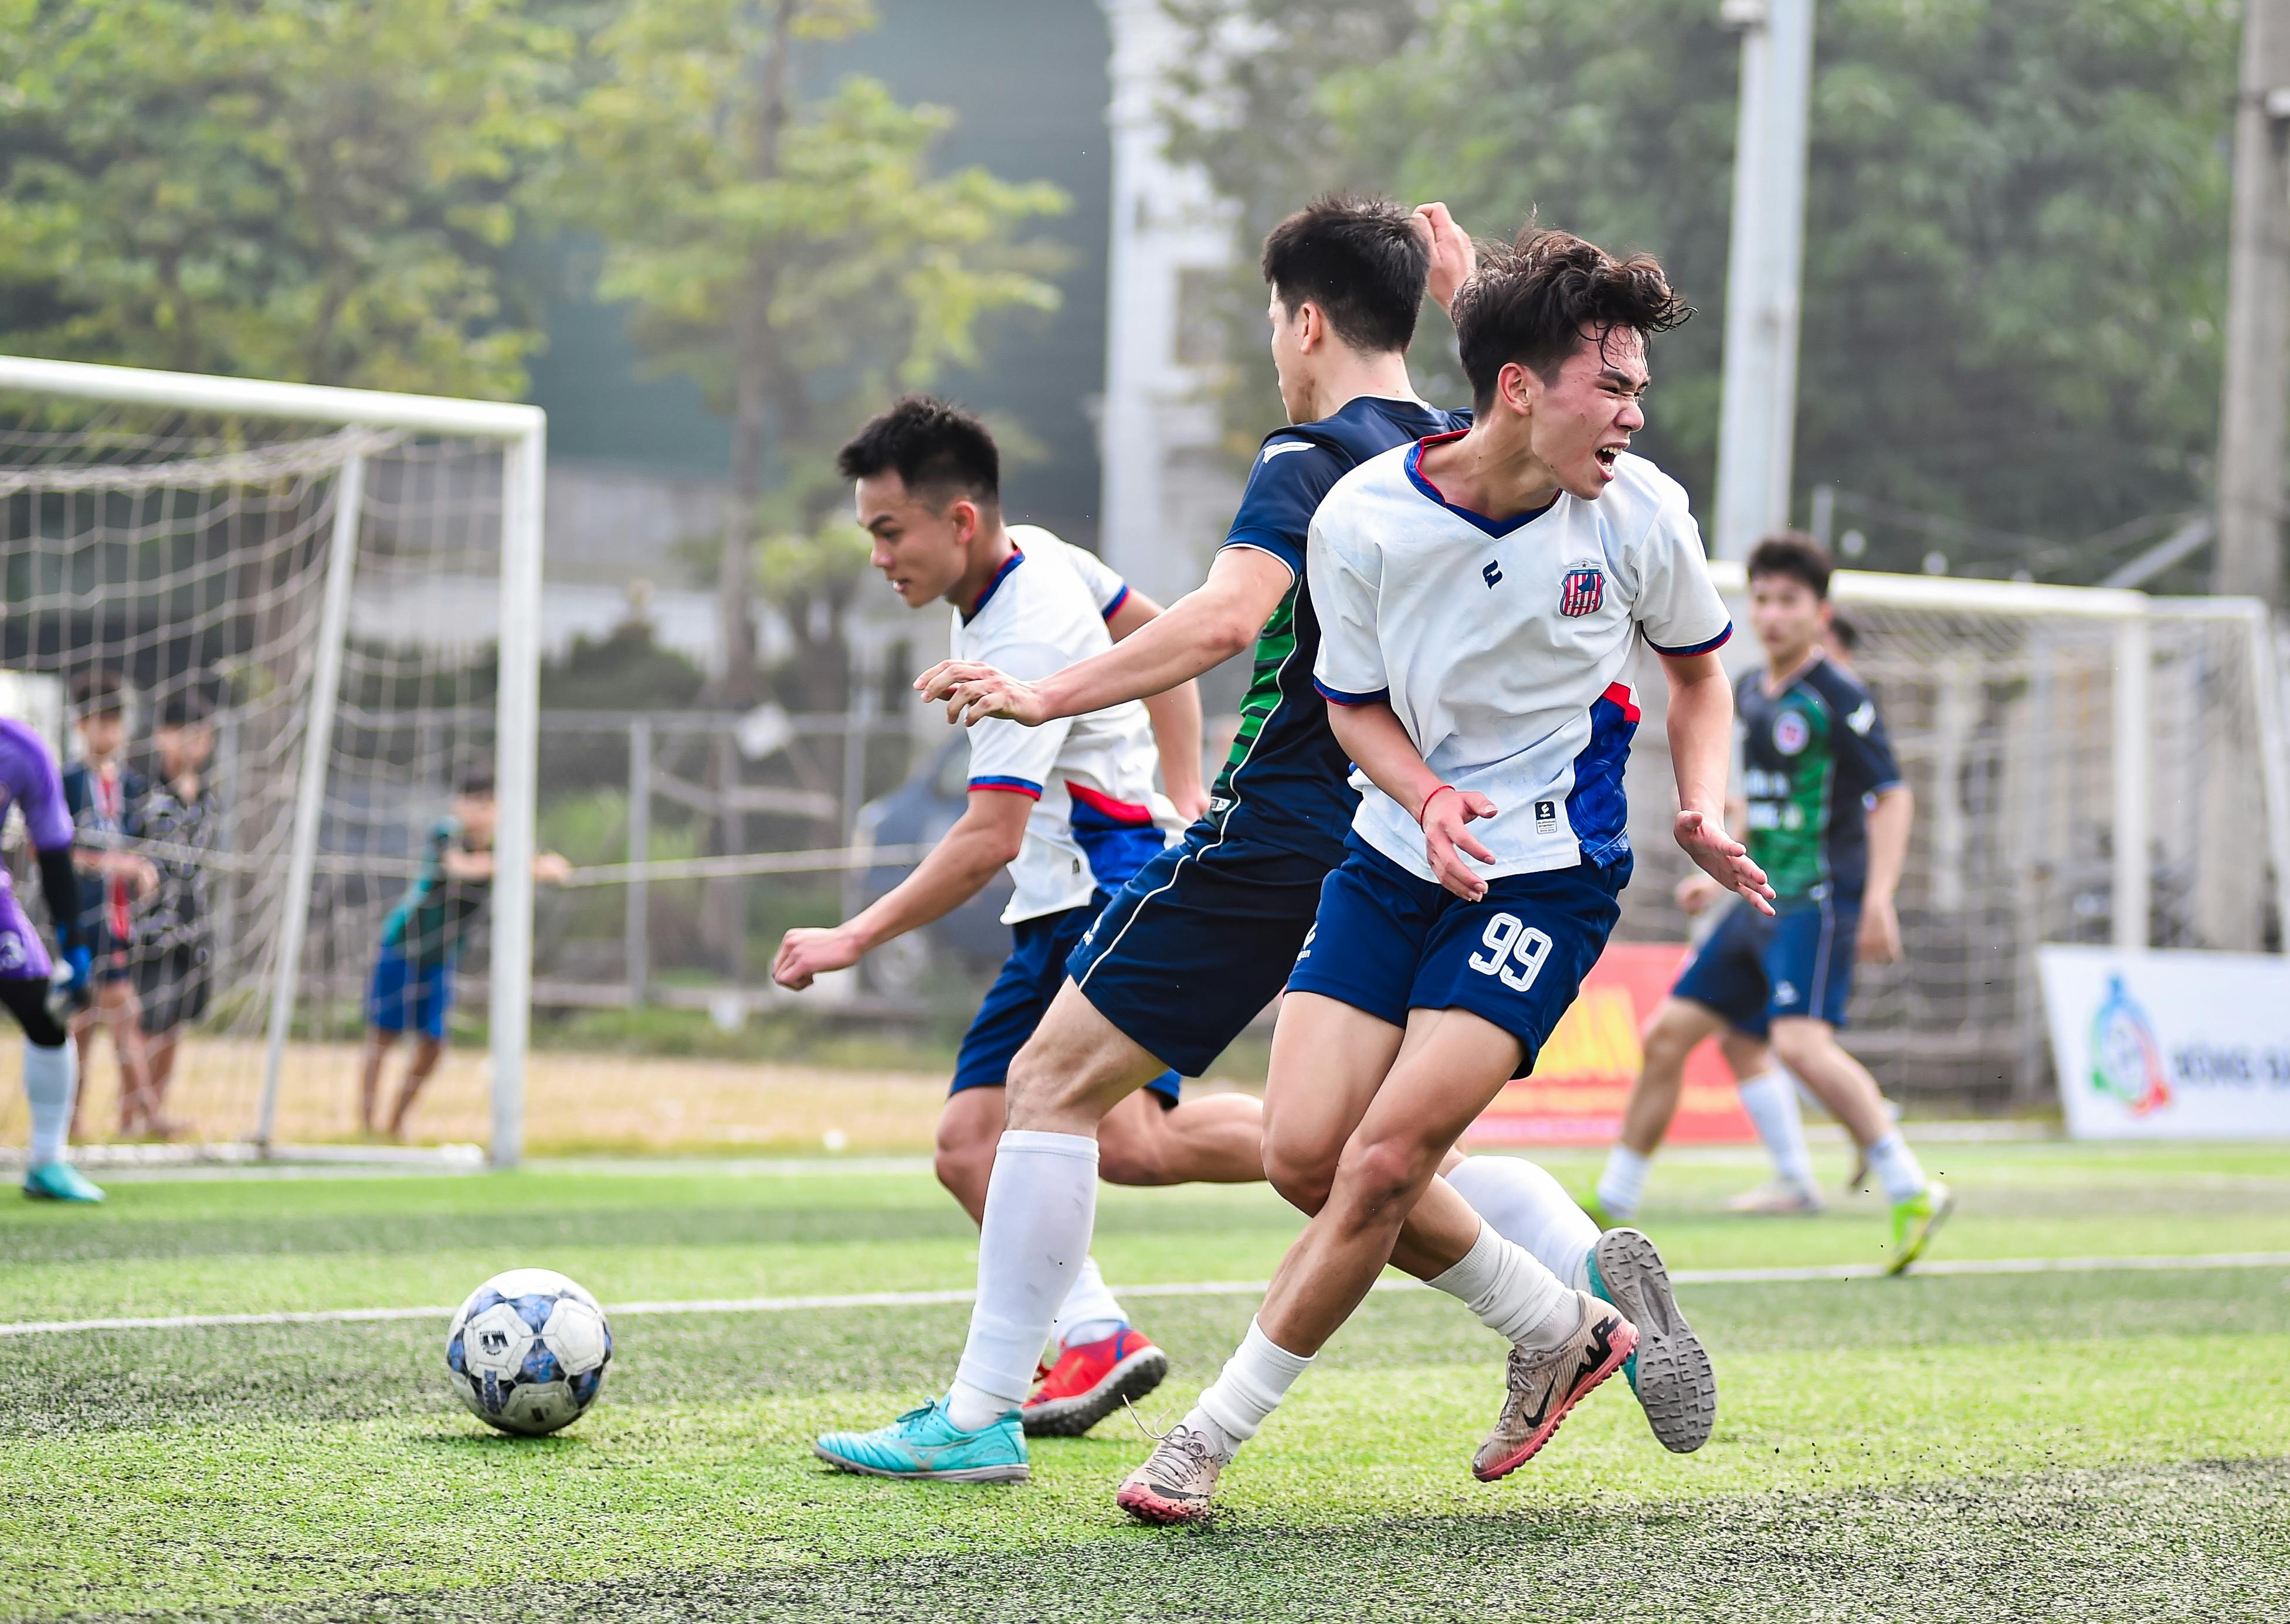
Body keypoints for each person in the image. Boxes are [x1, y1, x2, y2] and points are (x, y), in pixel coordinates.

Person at [829, 197, 1712, 1494]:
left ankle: (983, 1408)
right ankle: (1574, 1268)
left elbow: (1220, 619)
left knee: (1051, 1087)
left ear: (1303, 321)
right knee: (1369, 1151)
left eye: (1270, 322)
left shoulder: (1312, 461)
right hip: (1412, 830)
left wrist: (1049, 694)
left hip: (1309, 820)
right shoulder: (1458, 434)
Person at [1111, 223, 1769, 1526]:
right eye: (1615, 385)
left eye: (1641, 386)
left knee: (1382, 1160)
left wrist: (1702, 800)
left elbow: (1697, 672)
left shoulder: (1641, 517)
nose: (1637, 413)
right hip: (1389, 855)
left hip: (1545, 878)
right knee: (1304, 1151)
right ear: (1519, 387)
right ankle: (1566, 1323)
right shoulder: (1365, 517)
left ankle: (1203, 1438)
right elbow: (1350, 704)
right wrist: (1423, 797)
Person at [771, 394, 1263, 1447]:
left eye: (885, 531)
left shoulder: (1023, 629)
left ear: (956, 521)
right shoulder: (1033, 557)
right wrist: (1184, 783)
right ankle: (1095, 1334)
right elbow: (1164, 639)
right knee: (968, 1148)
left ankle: (1357, 1148)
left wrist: (851, 938)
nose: (875, 556)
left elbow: (986, 839)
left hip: (1100, 888)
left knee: (1134, 1142)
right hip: (1058, 903)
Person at [1588, 533, 1949, 1265]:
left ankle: (1912, 1186)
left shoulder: (1837, 695)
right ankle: (1611, 1204)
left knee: (1798, 1044)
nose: (1771, 614)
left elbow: (1892, 795)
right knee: (1668, 1035)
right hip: (1756, 898)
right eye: (1761, 598)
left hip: (1816, 900)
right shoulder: (1750, 690)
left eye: (1789, 600)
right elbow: (1761, 798)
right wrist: (1718, 859)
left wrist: (1878, 894)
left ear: (1820, 612)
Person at [359, 763, 572, 1140]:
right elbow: (464, 868)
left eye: (489, 804)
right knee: (384, 1035)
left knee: (435, 1043)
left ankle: (396, 1123)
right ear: (458, 805)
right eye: (473, 804)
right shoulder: (446, 834)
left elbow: (547, 866)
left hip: (442, 956)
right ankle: (365, 1123)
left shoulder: (508, 841)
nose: (480, 813)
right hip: (405, 945)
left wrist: (541, 866)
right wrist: (527, 868)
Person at [0, 657, 106, 1202]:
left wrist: (76, 948)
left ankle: (47, 1162)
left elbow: (55, 851)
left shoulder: (21, 749)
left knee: (46, 1016)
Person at [59, 672, 157, 1139]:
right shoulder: (67, 781)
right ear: (81, 725)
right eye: (100, 722)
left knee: (107, 1017)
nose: (109, 732)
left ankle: (127, 1115)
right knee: (92, 1018)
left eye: (116, 722)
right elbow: (53, 852)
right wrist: (108, 865)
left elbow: (139, 849)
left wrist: (142, 870)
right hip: (77, 916)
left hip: (118, 918)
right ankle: (139, 1115)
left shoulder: (134, 787)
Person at [126, 689, 220, 1139]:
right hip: (148, 927)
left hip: (192, 926)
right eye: (183, 734)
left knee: (175, 1022)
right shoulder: (141, 789)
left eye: (201, 736)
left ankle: (155, 1114)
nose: (192, 745)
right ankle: (132, 1114)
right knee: (143, 1022)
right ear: (163, 736)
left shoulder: (209, 797)